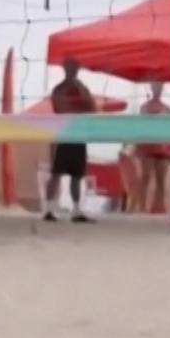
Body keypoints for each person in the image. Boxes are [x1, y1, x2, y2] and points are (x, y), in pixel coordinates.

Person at [43, 59, 95, 223]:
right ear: (64, 69)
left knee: (77, 175)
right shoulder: (59, 89)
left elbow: (92, 108)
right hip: (64, 135)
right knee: (56, 173)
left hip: (78, 135)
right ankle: (49, 210)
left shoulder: (82, 88)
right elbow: (61, 109)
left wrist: (81, 96)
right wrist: (78, 108)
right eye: (70, 68)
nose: (72, 71)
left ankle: (76, 211)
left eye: (75, 68)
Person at [135, 82, 170, 215]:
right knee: (145, 178)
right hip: (147, 145)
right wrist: (138, 146)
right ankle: (142, 207)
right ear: (152, 88)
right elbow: (140, 127)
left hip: (161, 147)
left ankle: (160, 207)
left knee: (160, 179)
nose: (158, 90)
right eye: (155, 87)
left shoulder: (167, 109)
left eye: (159, 87)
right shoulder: (145, 107)